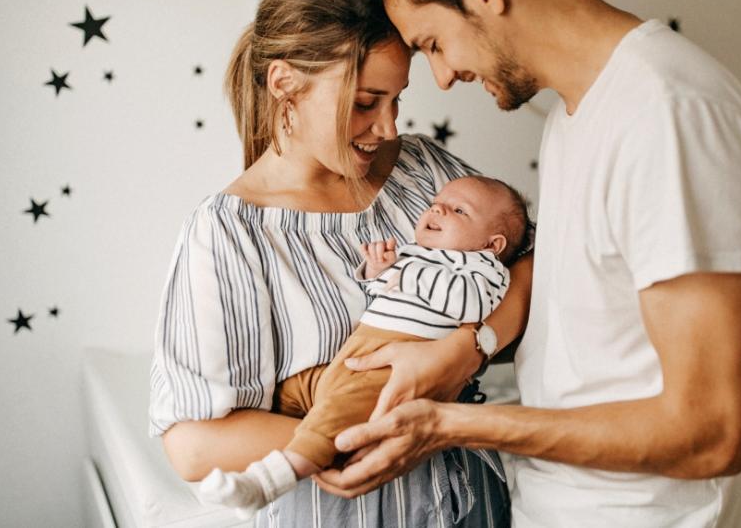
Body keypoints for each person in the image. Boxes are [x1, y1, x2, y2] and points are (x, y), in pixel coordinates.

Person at [316, 0, 741, 527]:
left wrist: (446, 425)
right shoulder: (575, 114)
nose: (443, 78)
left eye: (434, 45)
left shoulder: (670, 115)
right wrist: (474, 343)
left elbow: (711, 434)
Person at [147, 0, 534, 526]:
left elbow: (530, 260)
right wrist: (384, 435)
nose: (388, 126)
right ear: (284, 84)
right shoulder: (230, 232)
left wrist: (471, 348)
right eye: (365, 103)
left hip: (472, 500)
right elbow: (193, 444)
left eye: (397, 100)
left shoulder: (424, 170)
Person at [197, 175, 530, 517]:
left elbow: (467, 304)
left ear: (493, 245)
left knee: (336, 416)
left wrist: (406, 272)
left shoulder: (484, 269)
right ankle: (277, 452)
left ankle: (268, 482)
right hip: (356, 354)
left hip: (392, 367)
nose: (438, 209)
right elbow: (382, 293)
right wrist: (378, 270)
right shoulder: (415, 254)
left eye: (458, 210)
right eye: (436, 203)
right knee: (290, 391)